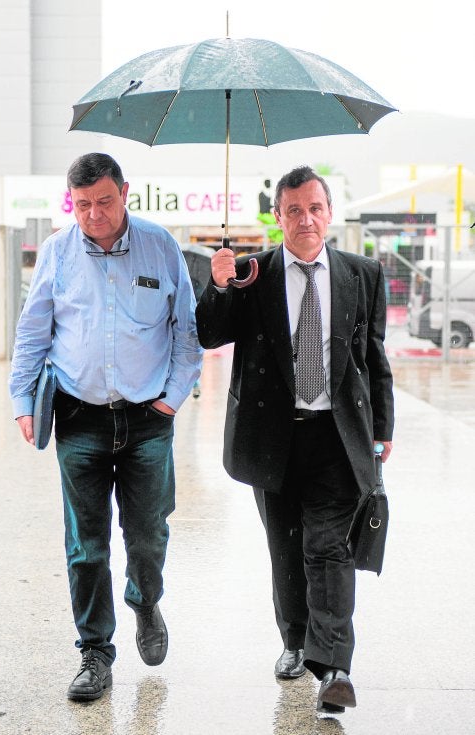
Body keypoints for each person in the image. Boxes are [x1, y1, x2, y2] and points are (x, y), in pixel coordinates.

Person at [195, 166, 394, 715]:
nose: (306, 219)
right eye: (293, 210)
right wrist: (218, 285)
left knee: (327, 548)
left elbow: (375, 361)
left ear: (329, 213)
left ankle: (334, 667)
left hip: (336, 436)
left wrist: (382, 429)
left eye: (315, 208)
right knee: (285, 548)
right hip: (272, 439)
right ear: (277, 216)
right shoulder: (252, 273)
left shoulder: (363, 274)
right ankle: (294, 640)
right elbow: (209, 333)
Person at [9, 153, 202, 702]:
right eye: (83, 204)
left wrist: (169, 401)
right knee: (85, 545)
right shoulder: (57, 252)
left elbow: (185, 330)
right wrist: (23, 399)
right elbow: (32, 331)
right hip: (78, 418)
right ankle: (95, 653)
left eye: (104, 201)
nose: (93, 214)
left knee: (147, 535)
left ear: (125, 193)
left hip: (147, 421)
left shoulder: (160, 246)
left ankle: (144, 599)